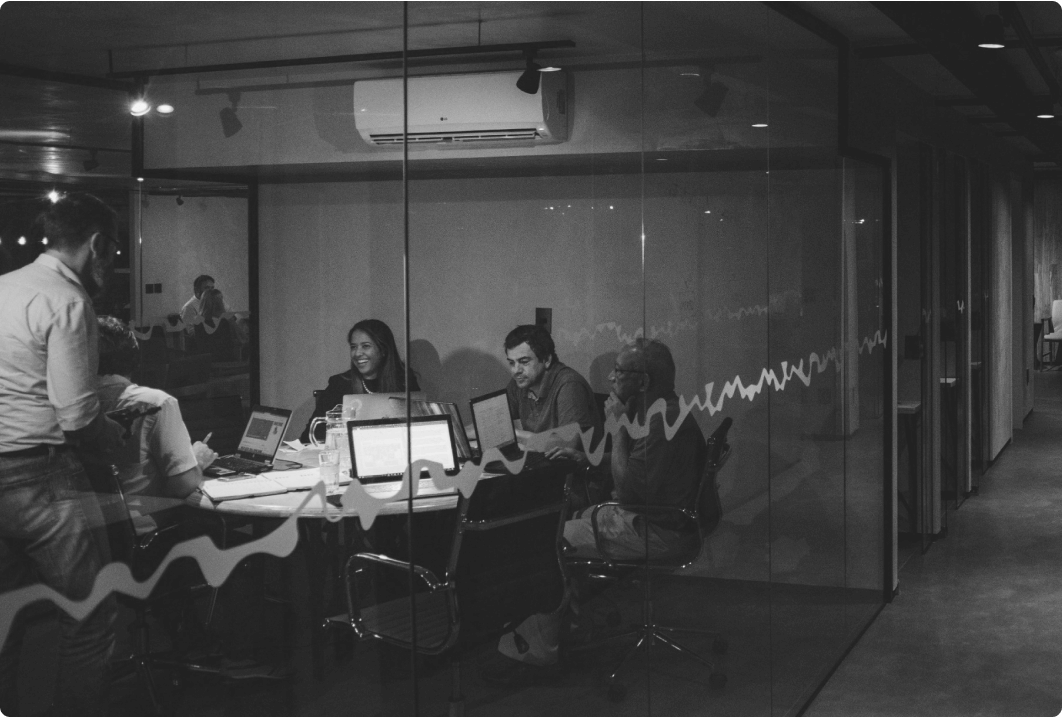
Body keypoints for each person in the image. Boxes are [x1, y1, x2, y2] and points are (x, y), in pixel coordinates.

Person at [485, 339, 705, 685]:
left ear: (643, 381)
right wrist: (584, 458)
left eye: (619, 371)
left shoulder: (662, 422)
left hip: (655, 528)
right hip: (648, 518)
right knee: (560, 527)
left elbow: (631, 492)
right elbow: (632, 473)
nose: (611, 378)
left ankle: (536, 651)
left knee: (543, 544)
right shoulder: (661, 411)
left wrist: (616, 428)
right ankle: (567, 629)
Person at [0, 192, 132, 717]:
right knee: (92, 613)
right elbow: (76, 416)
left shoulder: (5, 288)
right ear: (97, 244)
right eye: (114, 252)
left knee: (7, 615)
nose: (113, 264)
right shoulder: (68, 300)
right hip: (38, 474)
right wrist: (113, 433)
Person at [96, 316, 218, 536]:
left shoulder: (61, 406)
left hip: (85, 538)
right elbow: (182, 485)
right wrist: (197, 461)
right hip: (144, 535)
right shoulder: (155, 404)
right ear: (133, 356)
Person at [299, 318, 420, 443]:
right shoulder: (340, 384)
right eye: (353, 347)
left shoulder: (404, 382)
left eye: (366, 346)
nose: (357, 353)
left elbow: (419, 432)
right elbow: (308, 437)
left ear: (383, 350)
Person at [504, 324, 601, 443]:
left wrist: (517, 435)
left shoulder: (569, 384)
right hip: (540, 457)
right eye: (511, 363)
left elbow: (570, 443)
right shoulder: (520, 381)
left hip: (573, 461)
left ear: (546, 360)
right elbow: (495, 425)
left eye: (524, 362)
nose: (516, 371)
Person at [194, 288, 239, 361]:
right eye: (221, 301)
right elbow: (232, 342)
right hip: (224, 360)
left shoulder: (198, 321)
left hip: (205, 360)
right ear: (219, 304)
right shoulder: (223, 321)